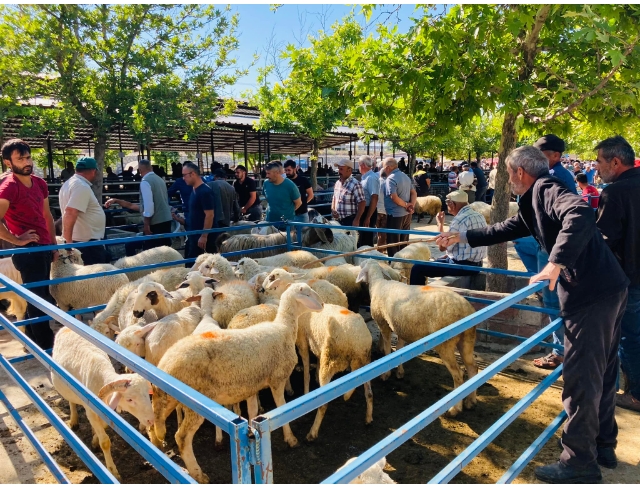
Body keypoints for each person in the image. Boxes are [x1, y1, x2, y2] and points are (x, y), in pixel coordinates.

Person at [437, 145, 628, 484]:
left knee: (582, 380)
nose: (505, 180)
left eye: (507, 173)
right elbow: (507, 228)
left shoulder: (546, 188)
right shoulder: (535, 197)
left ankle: (578, 462)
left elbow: (580, 214)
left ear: (519, 173)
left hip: (589, 294)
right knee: (604, 369)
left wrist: (555, 262)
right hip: (608, 287)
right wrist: (460, 234)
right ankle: (603, 445)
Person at [521, 135, 577, 370]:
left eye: (540, 155)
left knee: (554, 302)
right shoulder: (555, 176)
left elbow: (573, 215)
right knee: (520, 244)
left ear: (556, 156)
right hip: (546, 245)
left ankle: (560, 353)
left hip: (552, 248)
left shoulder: (553, 179)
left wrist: (555, 259)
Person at [594, 136, 640, 413]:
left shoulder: (615, 193)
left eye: (599, 161)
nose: (596, 167)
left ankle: (635, 395)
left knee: (629, 337)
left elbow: (605, 241)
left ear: (615, 161)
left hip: (629, 279)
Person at [0, 139, 58, 349]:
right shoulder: (9, 187)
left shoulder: (39, 183)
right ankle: (46, 347)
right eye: (20, 158)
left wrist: (53, 245)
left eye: (28, 157)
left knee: (40, 297)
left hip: (43, 248)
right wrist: (17, 240)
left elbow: (47, 215)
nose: (26, 162)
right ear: (8, 162)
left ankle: (34, 343)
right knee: (38, 300)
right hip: (27, 251)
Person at [409, 190, 486, 285]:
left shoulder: (459, 220)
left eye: (447, 203)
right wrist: (441, 224)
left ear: (452, 204)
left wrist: (439, 224)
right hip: (478, 264)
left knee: (417, 268)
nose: (446, 205)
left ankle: (416, 297)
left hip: (463, 266)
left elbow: (442, 247)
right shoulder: (479, 216)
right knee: (437, 261)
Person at [105, 159, 173, 255]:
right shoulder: (160, 180)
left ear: (140, 170)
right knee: (164, 253)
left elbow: (149, 206)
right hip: (166, 220)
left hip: (155, 224)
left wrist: (146, 225)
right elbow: (142, 206)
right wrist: (117, 200)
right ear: (151, 167)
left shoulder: (145, 181)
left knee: (150, 255)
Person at [58, 157, 109, 265]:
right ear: (93, 171)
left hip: (82, 242)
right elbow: (70, 212)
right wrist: (68, 243)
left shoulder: (69, 184)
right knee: (94, 279)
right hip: (87, 245)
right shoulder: (81, 186)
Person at [172, 162, 217, 258]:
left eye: (185, 175)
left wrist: (204, 236)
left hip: (202, 239)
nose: (183, 178)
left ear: (193, 174)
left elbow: (209, 215)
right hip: (194, 236)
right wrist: (180, 220)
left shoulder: (205, 191)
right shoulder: (194, 191)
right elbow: (196, 215)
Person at [382, 157, 416, 257]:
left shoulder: (391, 178)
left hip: (395, 215)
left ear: (388, 167)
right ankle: (404, 264)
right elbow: (414, 193)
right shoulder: (405, 176)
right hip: (407, 214)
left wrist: (406, 205)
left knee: (393, 243)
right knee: (403, 242)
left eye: (384, 167)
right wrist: (411, 206)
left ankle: (394, 265)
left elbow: (394, 197)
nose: (383, 169)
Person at [331, 159, 365, 228]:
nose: (339, 171)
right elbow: (334, 198)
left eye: (341, 169)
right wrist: (333, 210)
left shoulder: (355, 184)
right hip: (338, 221)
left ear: (349, 170)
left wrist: (357, 219)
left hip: (350, 220)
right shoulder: (337, 183)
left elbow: (362, 202)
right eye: (339, 169)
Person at [357, 155, 379, 247]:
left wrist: (368, 217)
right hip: (364, 210)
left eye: (358, 164)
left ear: (362, 165)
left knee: (366, 238)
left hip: (368, 210)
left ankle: (368, 259)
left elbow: (374, 197)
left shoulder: (371, 178)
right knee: (362, 237)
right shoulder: (365, 177)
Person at [283, 159, 313, 224]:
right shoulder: (284, 182)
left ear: (295, 169)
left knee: (304, 233)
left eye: (289, 170)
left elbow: (311, 195)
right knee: (289, 233)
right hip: (290, 215)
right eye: (286, 170)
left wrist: (303, 203)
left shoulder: (303, 180)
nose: (287, 172)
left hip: (302, 214)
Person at [167, 162, 192, 228]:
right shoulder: (202, 180)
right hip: (196, 210)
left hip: (190, 209)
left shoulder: (180, 181)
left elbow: (169, 193)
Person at [375, 160, 388, 247]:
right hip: (386, 210)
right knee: (384, 230)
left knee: (378, 229)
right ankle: (382, 247)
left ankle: (380, 246)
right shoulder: (389, 182)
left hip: (376, 210)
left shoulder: (376, 181)